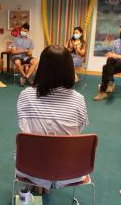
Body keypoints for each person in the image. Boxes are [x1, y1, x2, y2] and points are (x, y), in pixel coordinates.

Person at [16, 45, 88, 193]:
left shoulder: (26, 95)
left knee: (29, 139)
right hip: (68, 170)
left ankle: (40, 182)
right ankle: (44, 181)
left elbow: (24, 126)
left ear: (41, 67)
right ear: (70, 69)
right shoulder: (78, 99)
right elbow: (79, 128)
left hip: (29, 166)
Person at [93, 32, 121, 101]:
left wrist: (115, 56)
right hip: (117, 63)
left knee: (106, 68)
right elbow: (113, 53)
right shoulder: (116, 42)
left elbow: (116, 55)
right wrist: (110, 54)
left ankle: (107, 86)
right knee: (107, 64)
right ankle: (108, 84)